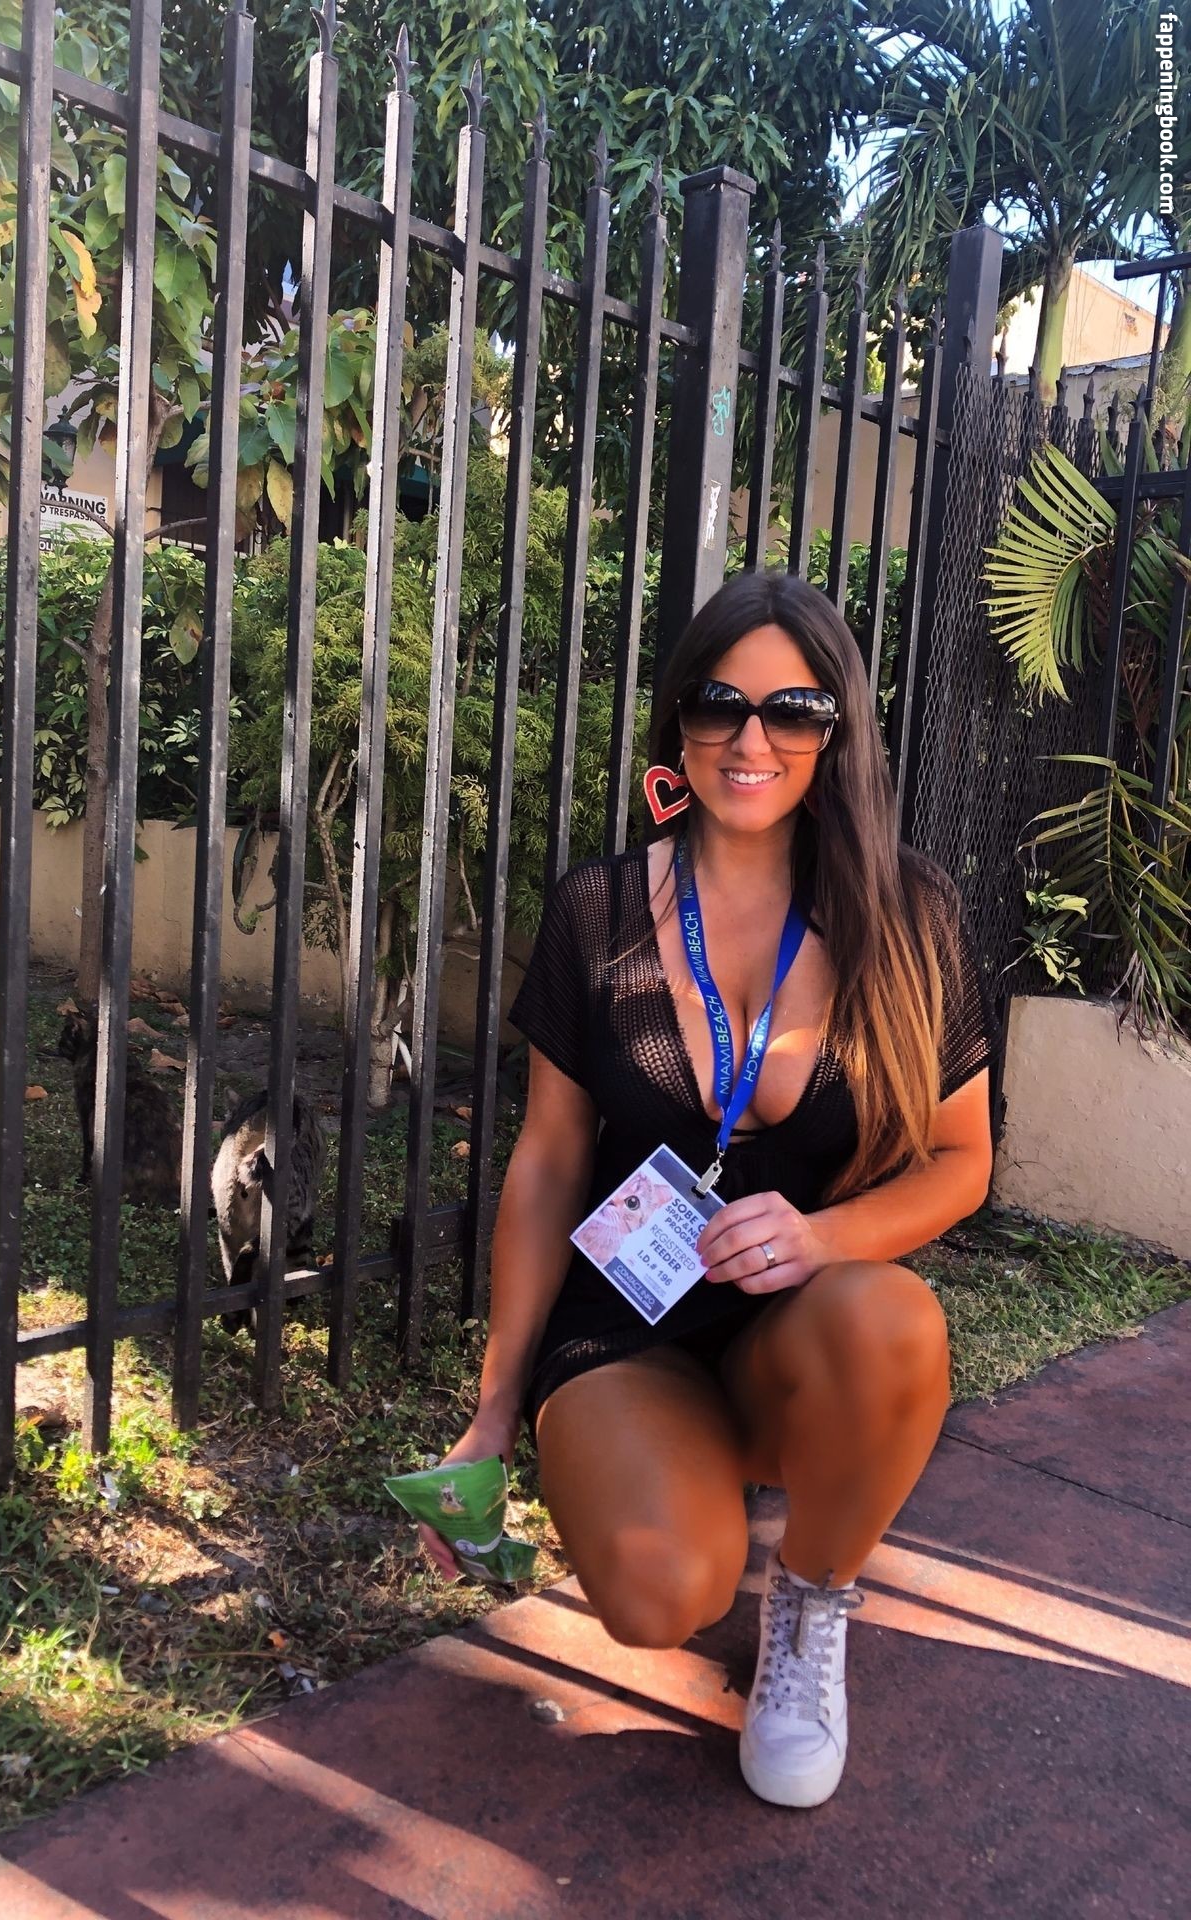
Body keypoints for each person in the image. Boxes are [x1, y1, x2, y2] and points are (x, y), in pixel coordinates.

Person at [419, 569, 994, 1809]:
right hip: (627, 1324)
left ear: (837, 730)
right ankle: (690, 1481)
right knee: (660, 1596)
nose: (752, 739)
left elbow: (964, 1160)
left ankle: (811, 1603)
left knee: (894, 1322)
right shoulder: (597, 911)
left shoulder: (910, 914)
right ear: (679, 720)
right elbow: (548, 1161)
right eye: (720, 704)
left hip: (802, 1322)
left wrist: (820, 1238)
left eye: (794, 710)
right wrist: (493, 1412)